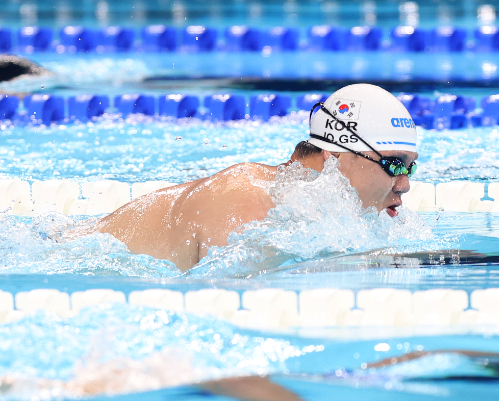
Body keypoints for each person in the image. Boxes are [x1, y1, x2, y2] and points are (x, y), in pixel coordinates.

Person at [92, 84, 419, 271]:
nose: (404, 183)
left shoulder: (312, 210)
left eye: (410, 166)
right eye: (394, 164)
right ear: (334, 157)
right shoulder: (246, 200)